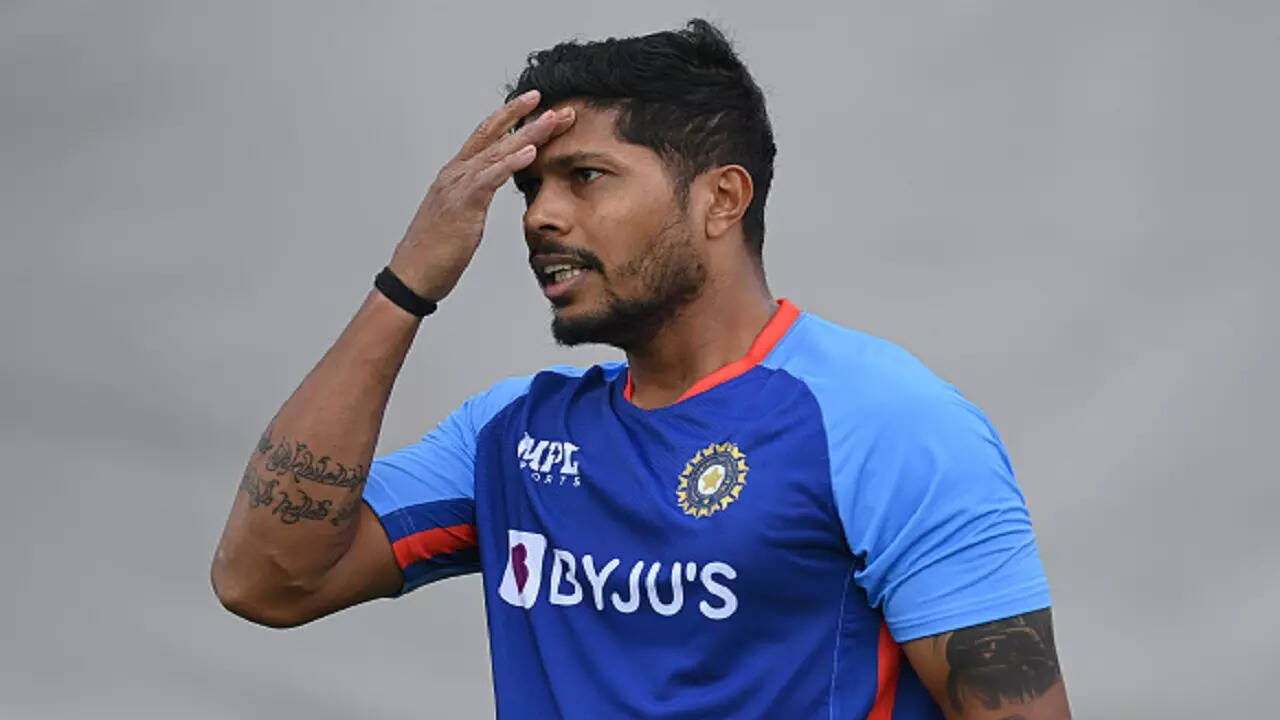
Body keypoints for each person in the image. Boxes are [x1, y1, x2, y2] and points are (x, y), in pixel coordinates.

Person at [211, 19, 1071, 719]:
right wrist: (407, 284)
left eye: (585, 176)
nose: (540, 216)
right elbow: (267, 580)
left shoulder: (888, 424)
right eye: (530, 189)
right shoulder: (509, 437)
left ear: (721, 199)